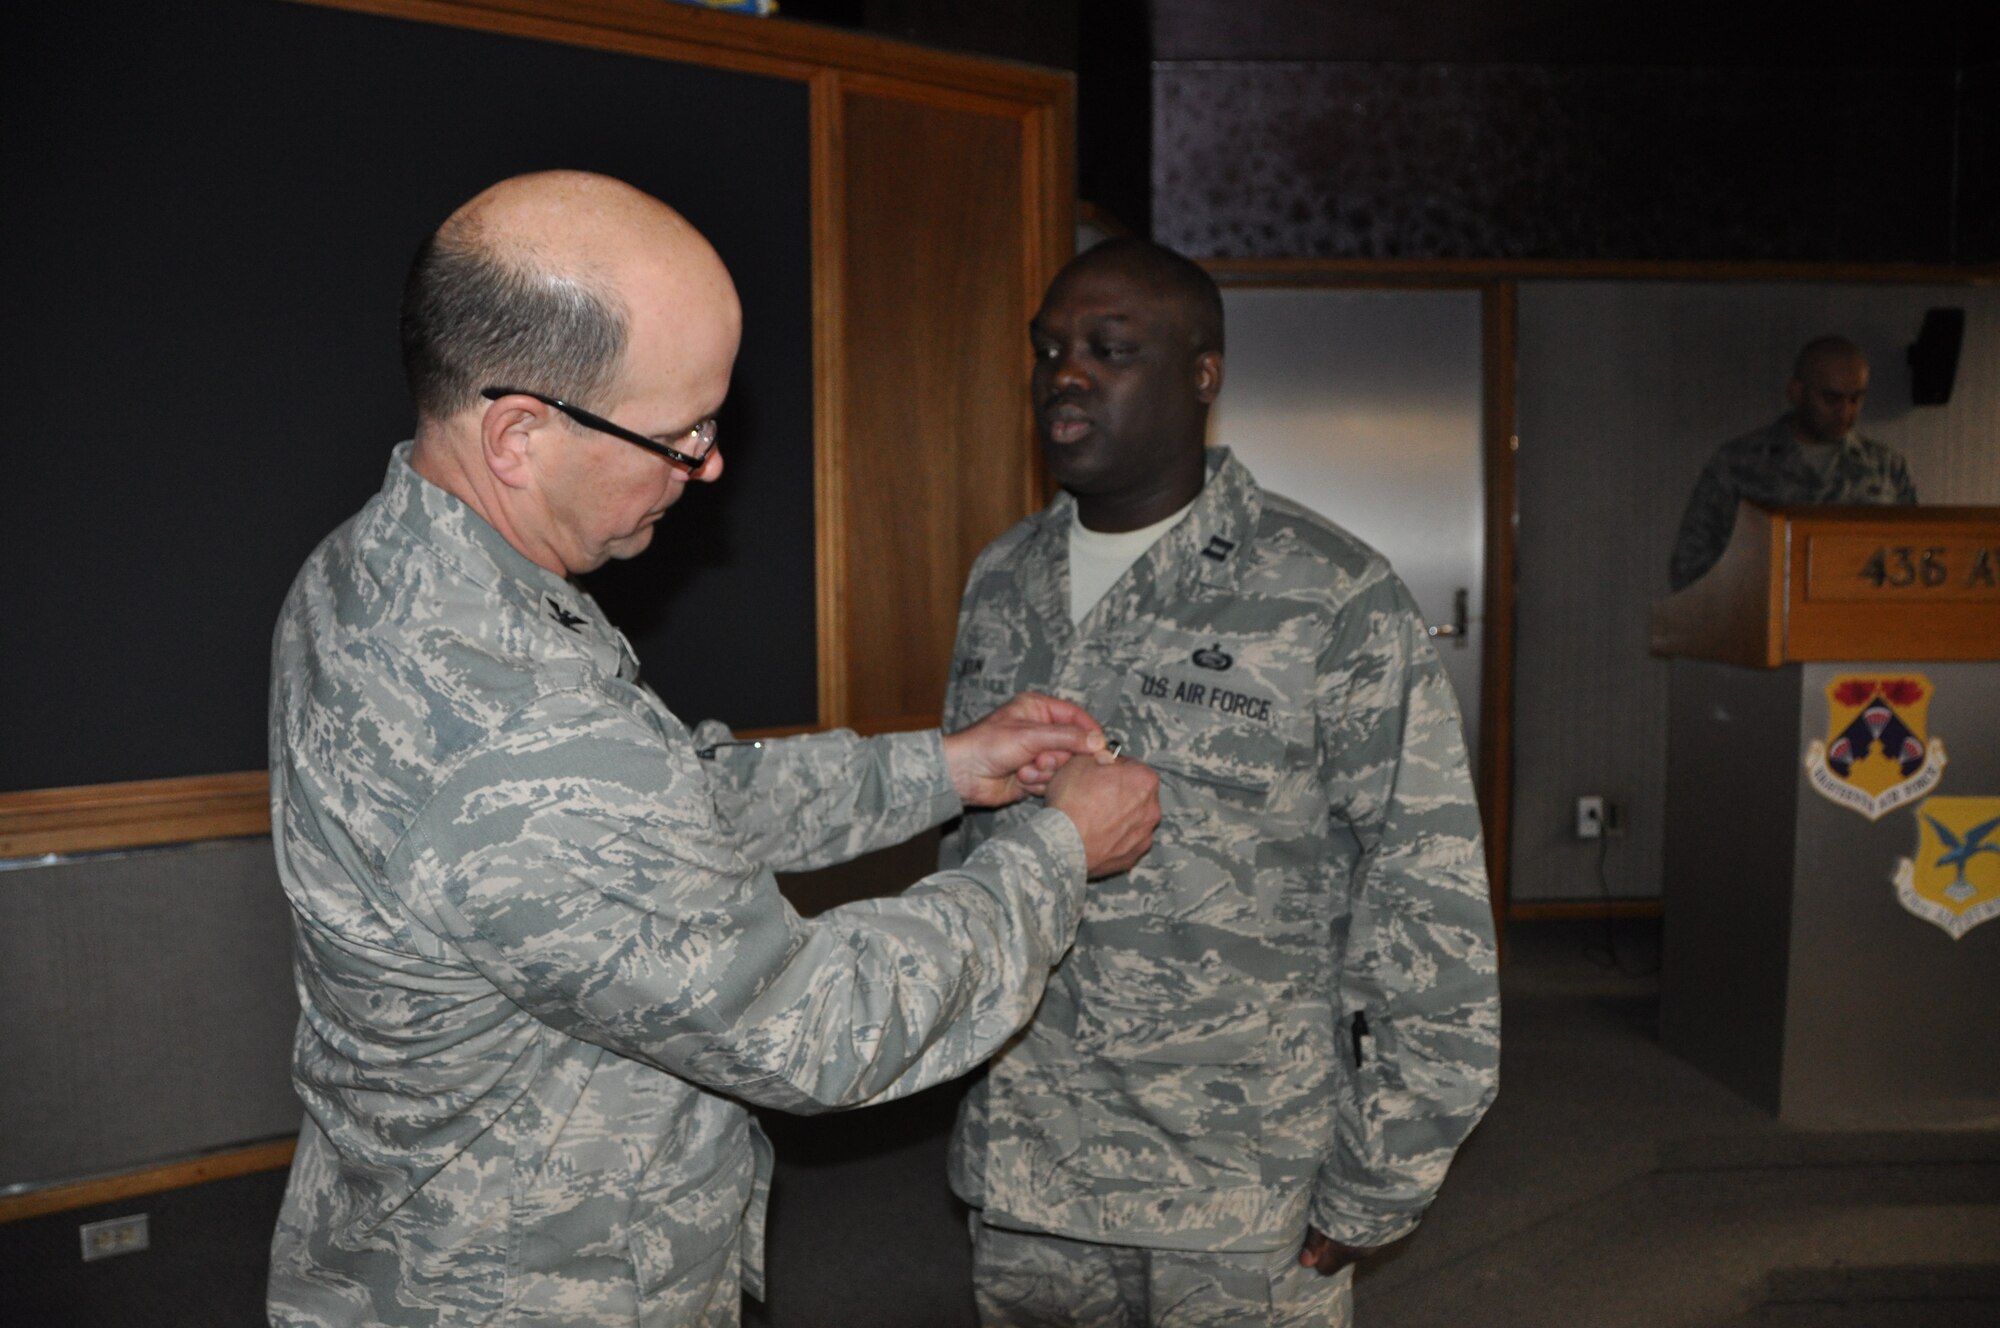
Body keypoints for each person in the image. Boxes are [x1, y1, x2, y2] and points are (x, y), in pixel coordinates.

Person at [265, 171, 1160, 1328]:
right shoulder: (510, 721)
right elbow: (815, 1024)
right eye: (680, 432)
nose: (709, 465)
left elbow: (674, 799)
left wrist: (939, 767)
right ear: (520, 433)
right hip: (532, 1286)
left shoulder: (381, 566)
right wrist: (1055, 847)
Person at [941, 238, 1501, 1326]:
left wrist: (1379, 1173)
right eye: (1049, 348)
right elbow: (964, 851)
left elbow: (1425, 893)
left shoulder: (1328, 594)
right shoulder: (1000, 578)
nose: (1065, 372)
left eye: (1109, 348)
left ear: (1202, 374)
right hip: (1028, 1178)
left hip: (1239, 1193)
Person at [1668, 336, 1918, 590]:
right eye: (1831, 399)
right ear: (1797, 392)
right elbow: (1690, 566)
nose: (1845, 412)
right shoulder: (1738, 463)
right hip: (1766, 621)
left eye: (1855, 399)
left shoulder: (1886, 468)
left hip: (1860, 620)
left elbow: (1912, 562)